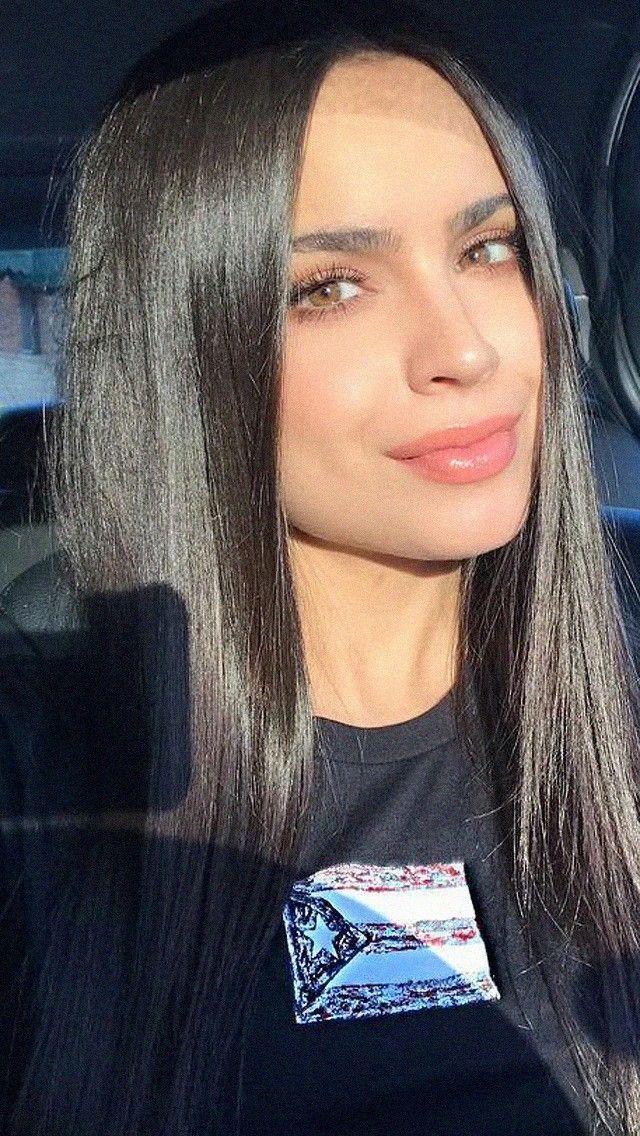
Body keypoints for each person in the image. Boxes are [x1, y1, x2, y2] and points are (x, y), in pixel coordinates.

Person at [1, 5, 640, 1135]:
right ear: (183, 349)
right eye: (329, 286)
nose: (465, 349)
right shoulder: (50, 790)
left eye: (486, 249)